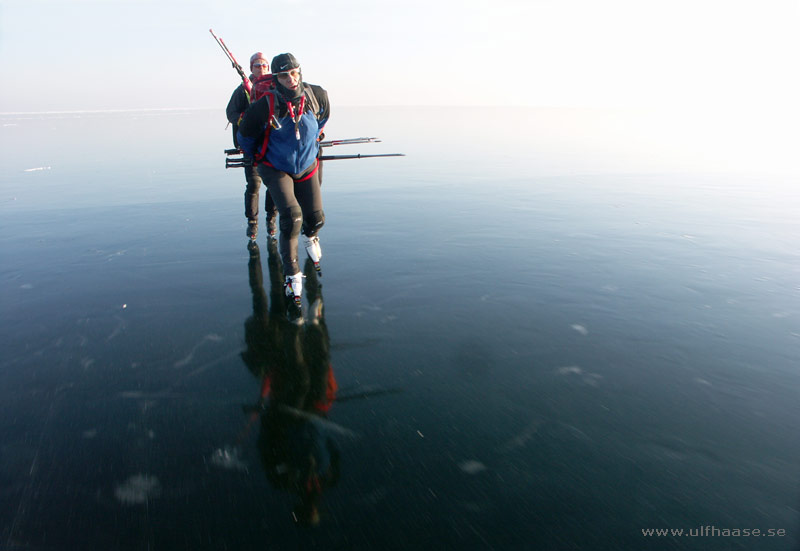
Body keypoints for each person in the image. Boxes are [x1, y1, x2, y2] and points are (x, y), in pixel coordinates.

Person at [237, 53, 330, 307]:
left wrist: (312, 141)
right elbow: (244, 135)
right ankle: (291, 277)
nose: (291, 79)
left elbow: (322, 120)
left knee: (316, 219)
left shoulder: (316, 95)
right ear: (276, 79)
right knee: (292, 216)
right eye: (283, 75)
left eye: (294, 73)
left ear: (300, 72)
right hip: (275, 167)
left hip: (307, 165)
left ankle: (312, 237)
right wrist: (252, 156)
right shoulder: (265, 105)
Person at [226, 52, 278, 240]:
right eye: (257, 65)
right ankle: (252, 222)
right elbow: (230, 112)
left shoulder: (274, 87)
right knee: (254, 184)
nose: (261, 68)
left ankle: (271, 219)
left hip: (271, 144)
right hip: (251, 145)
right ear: (251, 68)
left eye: (265, 65)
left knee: (274, 184)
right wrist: (244, 121)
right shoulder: (242, 90)